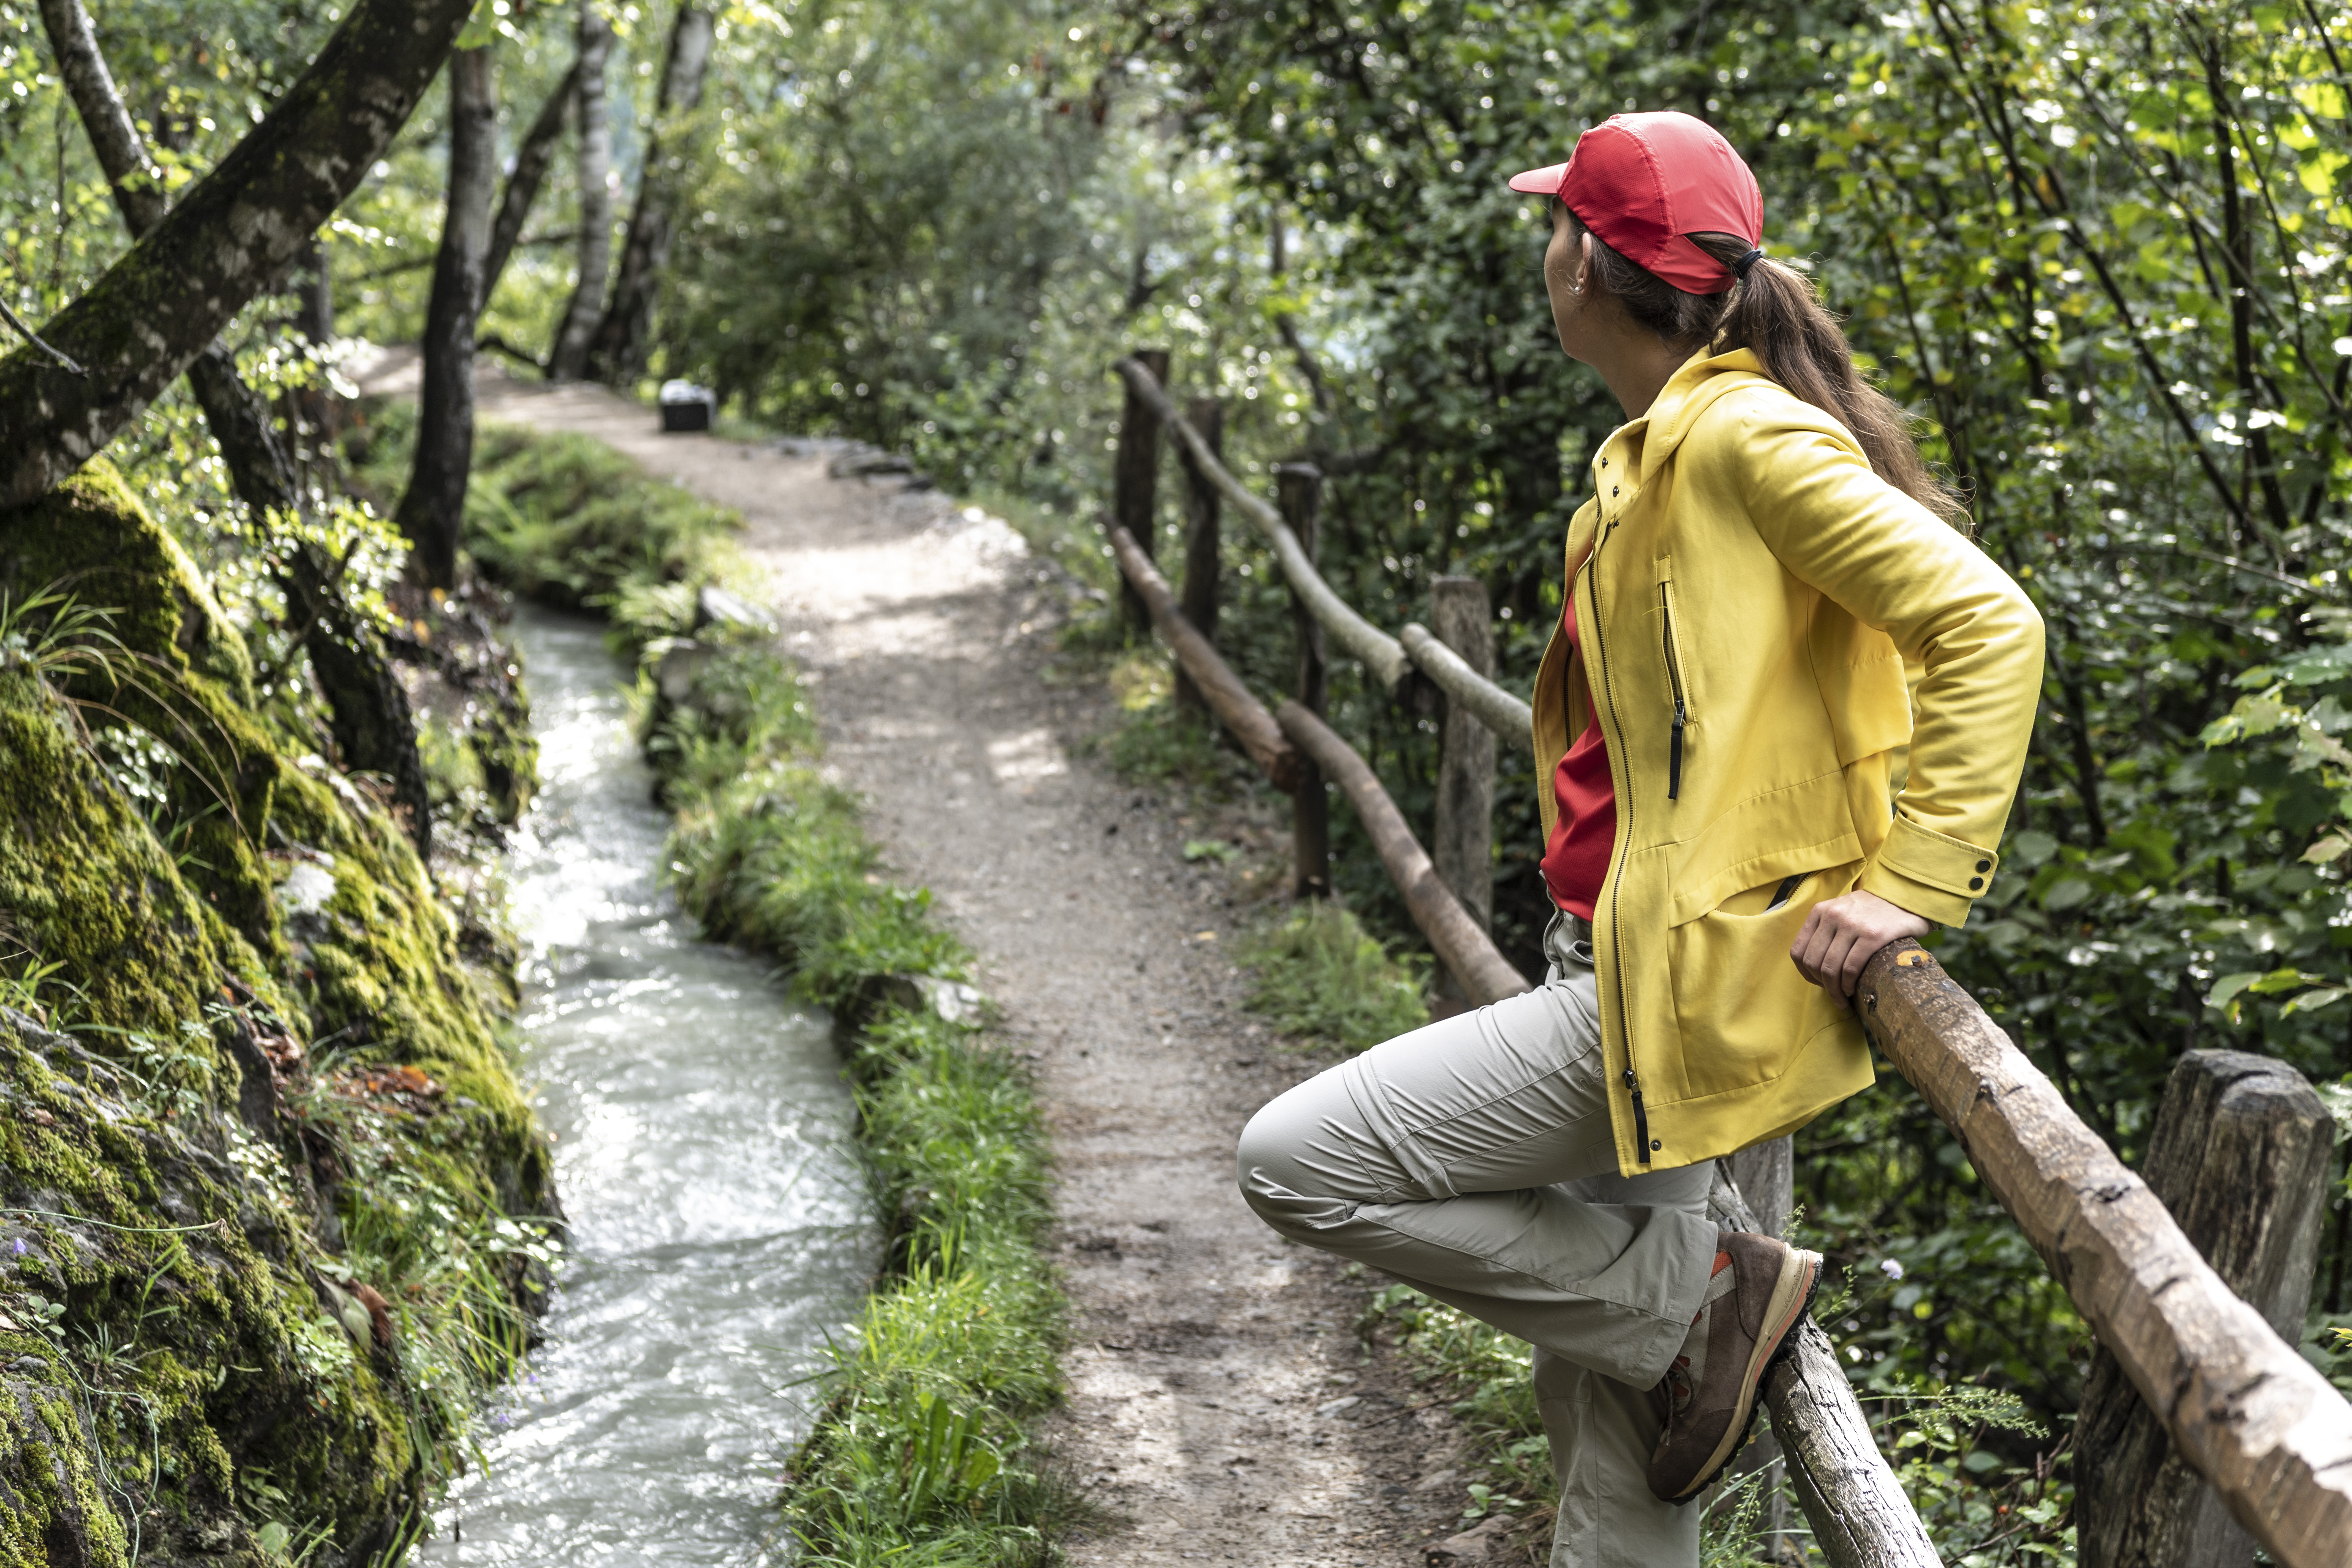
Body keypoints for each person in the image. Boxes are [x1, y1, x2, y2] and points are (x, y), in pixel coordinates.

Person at [1234, 111, 2043, 1565]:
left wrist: (1915, 879)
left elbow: (1988, 620)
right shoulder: (1668, 444)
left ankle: (1701, 1298)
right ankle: (1679, 1317)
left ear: (1593, 271)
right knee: (1615, 1439)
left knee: (1300, 1160)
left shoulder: (1739, 439)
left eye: (1557, 226)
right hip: (1622, 955)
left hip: (1661, 987)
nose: (1542, 249)